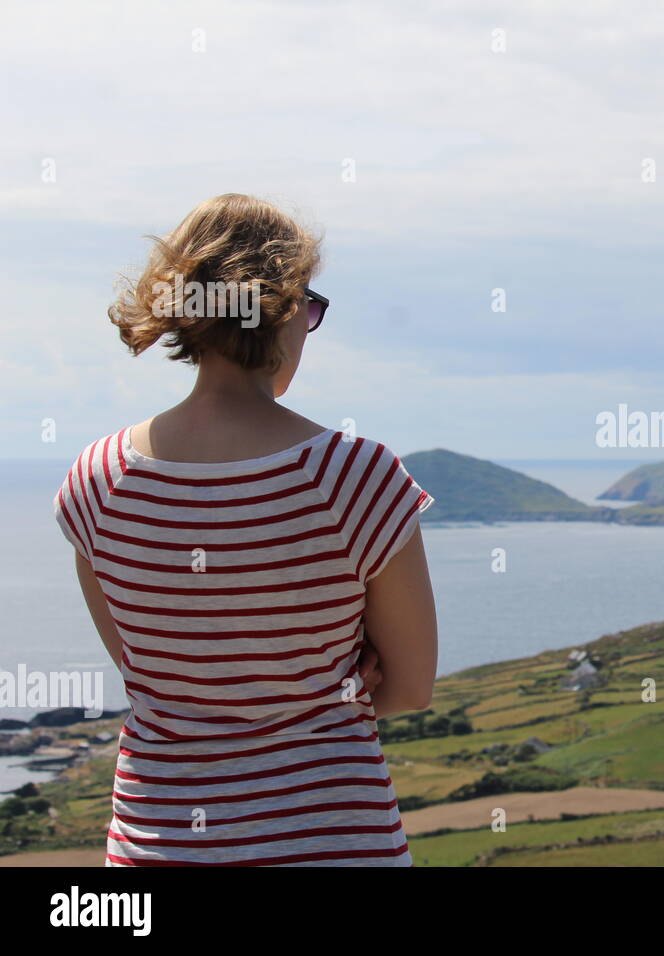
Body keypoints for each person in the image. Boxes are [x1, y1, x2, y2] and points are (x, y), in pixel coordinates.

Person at [52, 193, 438, 866]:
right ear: (284, 307)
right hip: (335, 846)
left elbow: (154, 674)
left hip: (159, 848)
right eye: (309, 307)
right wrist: (341, 676)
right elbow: (410, 688)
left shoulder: (98, 481)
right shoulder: (355, 477)